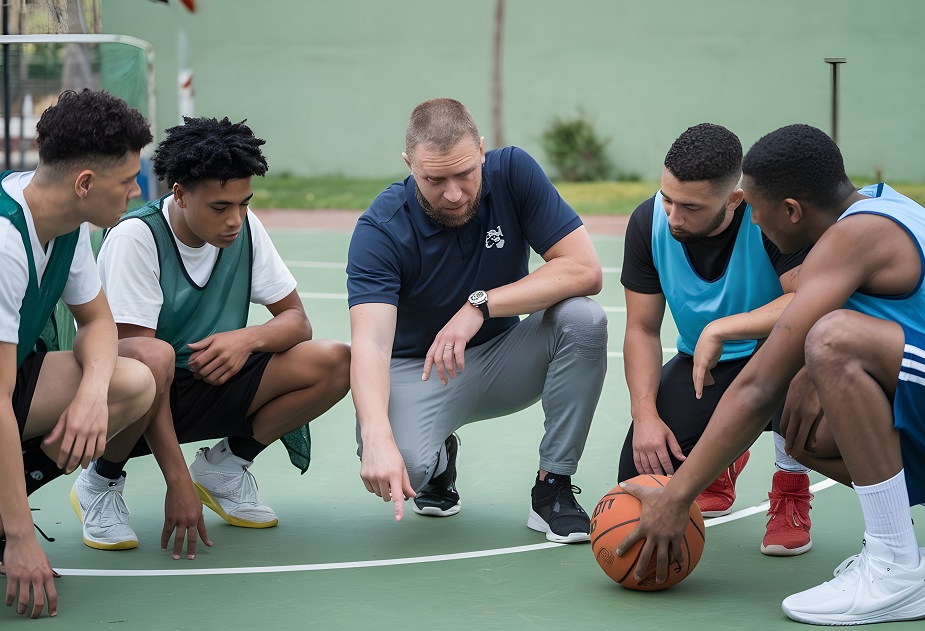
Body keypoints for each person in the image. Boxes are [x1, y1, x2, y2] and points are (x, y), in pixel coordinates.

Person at [617, 124, 925, 625]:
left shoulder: (855, 236)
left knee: (831, 341)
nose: (758, 229)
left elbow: (758, 386)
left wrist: (676, 499)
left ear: (790, 211)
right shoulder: (883, 206)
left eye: (760, 219)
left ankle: (895, 569)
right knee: (805, 411)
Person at [78, 116, 351, 560]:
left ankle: (224, 470)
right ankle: (101, 480)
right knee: (154, 356)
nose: (235, 219)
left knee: (337, 361)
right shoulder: (136, 237)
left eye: (244, 204)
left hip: (210, 382)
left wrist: (247, 339)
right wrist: (177, 483)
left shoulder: (245, 228)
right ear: (180, 194)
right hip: (132, 402)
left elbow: (297, 322)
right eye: (221, 207)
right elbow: (137, 363)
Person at [346, 98, 608, 543]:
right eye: (434, 179)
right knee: (403, 467)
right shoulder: (380, 229)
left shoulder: (515, 173)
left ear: (482, 150)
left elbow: (585, 269)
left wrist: (479, 305)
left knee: (584, 318)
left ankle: (553, 489)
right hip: (420, 370)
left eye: (465, 173)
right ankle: (439, 460)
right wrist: (374, 435)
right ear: (409, 165)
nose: (453, 193)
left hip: (504, 359)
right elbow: (369, 344)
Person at [0, 89, 156, 618]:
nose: (135, 192)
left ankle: (1, 499)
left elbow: (98, 321)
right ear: (86, 183)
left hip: (2, 386)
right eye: (127, 181)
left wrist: (91, 395)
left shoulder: (65, 220)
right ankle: (1, 525)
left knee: (134, 382)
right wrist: (19, 537)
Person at [619, 123, 813, 555]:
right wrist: (645, 415)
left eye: (689, 206)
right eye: (667, 198)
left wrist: (723, 327)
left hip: (778, 356)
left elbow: (807, 299)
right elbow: (642, 329)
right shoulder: (648, 223)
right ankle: (723, 459)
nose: (673, 216)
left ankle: (790, 490)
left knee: (802, 350)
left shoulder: (767, 219)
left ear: (733, 199)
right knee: (638, 474)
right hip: (704, 368)